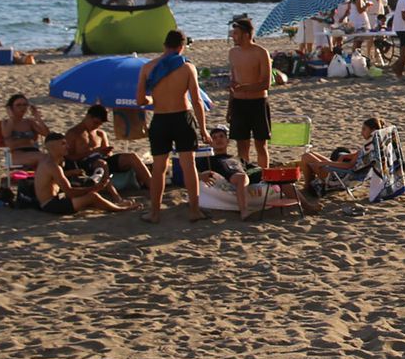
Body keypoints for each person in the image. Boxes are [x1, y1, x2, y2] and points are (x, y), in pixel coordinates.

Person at [136, 30, 209, 223]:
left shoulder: (148, 67)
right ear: (181, 47)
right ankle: (194, 211)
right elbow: (197, 100)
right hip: (182, 118)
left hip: (160, 120)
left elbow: (140, 100)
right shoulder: (187, 67)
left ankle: (154, 213)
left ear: (164, 45)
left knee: (159, 168)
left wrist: (153, 97)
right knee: (188, 166)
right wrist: (203, 128)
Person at [35, 134, 136, 215]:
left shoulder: (48, 160)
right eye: (63, 144)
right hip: (51, 204)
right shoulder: (53, 166)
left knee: (85, 188)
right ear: (54, 147)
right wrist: (95, 188)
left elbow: (51, 177)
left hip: (55, 197)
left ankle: (113, 204)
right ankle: (120, 209)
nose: (68, 146)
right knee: (92, 196)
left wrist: (73, 173)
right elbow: (69, 192)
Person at [63, 104, 150, 190]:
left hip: (103, 161)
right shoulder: (73, 133)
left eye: (100, 124)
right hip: (85, 164)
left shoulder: (100, 134)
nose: (96, 126)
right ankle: (112, 192)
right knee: (100, 163)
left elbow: (109, 156)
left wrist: (107, 152)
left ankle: (151, 184)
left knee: (132, 157)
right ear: (88, 117)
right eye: (95, 122)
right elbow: (68, 157)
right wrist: (93, 152)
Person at [299, 115, 385, 195]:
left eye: (364, 129)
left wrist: (325, 163)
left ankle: (307, 186)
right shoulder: (372, 146)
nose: (361, 132)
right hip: (345, 174)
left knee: (306, 157)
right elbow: (356, 155)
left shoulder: (369, 149)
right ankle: (311, 184)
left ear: (372, 130)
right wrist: (344, 156)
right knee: (311, 154)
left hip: (340, 177)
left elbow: (349, 165)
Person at [227, 17, 273, 168]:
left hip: (258, 102)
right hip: (239, 103)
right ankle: (245, 175)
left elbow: (266, 84)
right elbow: (233, 82)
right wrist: (230, 106)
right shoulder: (233, 53)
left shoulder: (261, 52)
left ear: (246, 34)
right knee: (242, 145)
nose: (233, 36)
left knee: (261, 144)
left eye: (236, 33)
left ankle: (264, 175)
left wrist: (245, 88)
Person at [0, 93, 51, 170]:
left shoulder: (29, 122)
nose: (22, 107)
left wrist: (38, 118)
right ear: (11, 108)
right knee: (45, 158)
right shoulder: (6, 123)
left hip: (33, 152)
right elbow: (6, 135)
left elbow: (47, 134)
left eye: (25, 105)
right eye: (18, 105)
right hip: (15, 154)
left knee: (54, 158)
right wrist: (11, 117)